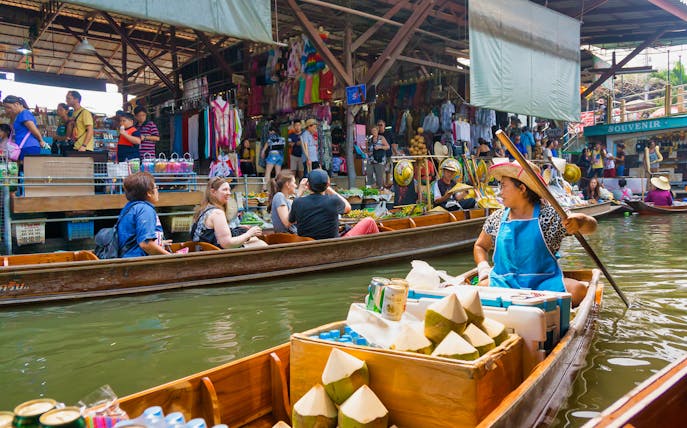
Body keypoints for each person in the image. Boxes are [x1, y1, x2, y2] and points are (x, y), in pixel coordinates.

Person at [473, 160, 597, 306]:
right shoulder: (497, 218)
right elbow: (480, 246)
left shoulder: (550, 215)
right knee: (477, 292)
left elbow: (592, 227)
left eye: (504, 186)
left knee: (579, 290)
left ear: (522, 188)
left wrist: (580, 221)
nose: (500, 192)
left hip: (544, 284)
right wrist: (483, 269)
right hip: (504, 284)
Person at [288, 169, 379, 240]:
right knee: (370, 221)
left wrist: (299, 192)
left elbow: (290, 220)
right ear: (327, 184)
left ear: (307, 186)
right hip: (334, 246)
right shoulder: (333, 200)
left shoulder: (298, 202)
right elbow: (348, 207)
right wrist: (329, 189)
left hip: (309, 246)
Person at [191, 177, 266, 248]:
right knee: (261, 244)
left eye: (229, 190)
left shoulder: (203, 209)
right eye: (225, 190)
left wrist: (239, 228)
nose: (229, 193)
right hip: (215, 254)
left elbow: (212, 233)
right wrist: (249, 233)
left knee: (254, 240)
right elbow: (227, 243)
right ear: (213, 192)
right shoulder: (217, 213)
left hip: (205, 250)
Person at [117, 172, 170, 257]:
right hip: (138, 263)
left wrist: (159, 243)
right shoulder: (145, 210)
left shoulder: (130, 207)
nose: (158, 191)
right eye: (156, 187)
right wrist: (171, 256)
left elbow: (134, 239)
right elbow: (146, 244)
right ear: (149, 192)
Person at [2, 95, 49, 160]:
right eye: (5, 108)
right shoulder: (19, 115)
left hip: (28, 147)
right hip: (23, 147)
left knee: (27, 168)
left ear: (17, 104)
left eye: (9, 107)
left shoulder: (24, 114)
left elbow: (33, 129)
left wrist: (41, 140)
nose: (7, 110)